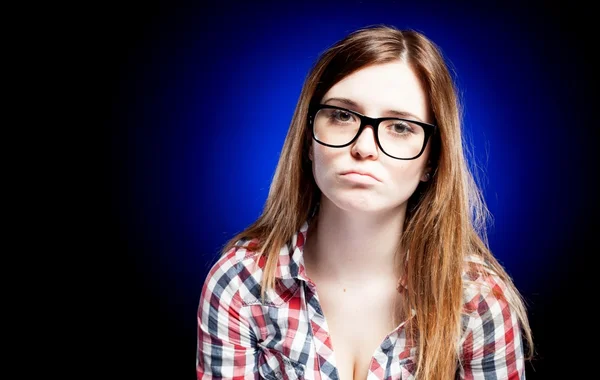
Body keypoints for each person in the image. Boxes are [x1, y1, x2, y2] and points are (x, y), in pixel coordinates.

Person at [196, 24, 534, 380]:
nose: (364, 148)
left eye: (400, 127)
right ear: (308, 138)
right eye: (342, 116)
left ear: (432, 161)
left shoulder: (478, 302)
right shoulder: (240, 282)